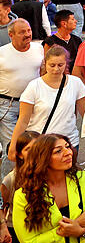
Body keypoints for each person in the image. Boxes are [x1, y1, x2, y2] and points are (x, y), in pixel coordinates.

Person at [11, 134, 85, 243]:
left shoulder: (84, 179)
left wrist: (82, 231)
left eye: (67, 147)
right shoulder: (23, 196)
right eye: (58, 151)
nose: (68, 153)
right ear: (43, 158)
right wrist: (70, 228)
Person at [10, 45, 85, 153]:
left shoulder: (76, 83)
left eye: (60, 65)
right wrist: (13, 146)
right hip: (41, 143)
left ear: (66, 64)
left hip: (68, 143)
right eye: (52, 65)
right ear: (45, 64)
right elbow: (23, 120)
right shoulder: (34, 86)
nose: (56, 69)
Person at [0, 20, 44, 176]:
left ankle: (28, 185)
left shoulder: (39, 49)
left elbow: (43, 73)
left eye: (29, 30)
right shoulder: (2, 53)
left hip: (33, 105)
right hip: (8, 105)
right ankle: (6, 193)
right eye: (22, 32)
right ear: (11, 35)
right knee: (12, 148)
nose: (28, 34)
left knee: (32, 146)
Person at [1, 130, 39, 243]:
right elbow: (1, 203)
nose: (34, 153)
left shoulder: (51, 173)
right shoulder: (11, 179)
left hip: (42, 232)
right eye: (28, 149)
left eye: (37, 148)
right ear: (20, 154)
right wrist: (3, 227)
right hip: (16, 234)